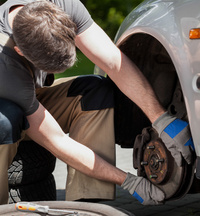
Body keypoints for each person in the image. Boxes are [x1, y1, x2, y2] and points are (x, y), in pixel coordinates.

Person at [0, 0, 194, 205]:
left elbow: (113, 61)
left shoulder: (63, 4)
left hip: (32, 95)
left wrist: (161, 119)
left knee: (94, 92)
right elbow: (58, 142)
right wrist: (127, 181)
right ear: (20, 51)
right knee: (6, 119)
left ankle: (89, 205)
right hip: (7, 104)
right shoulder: (5, 65)